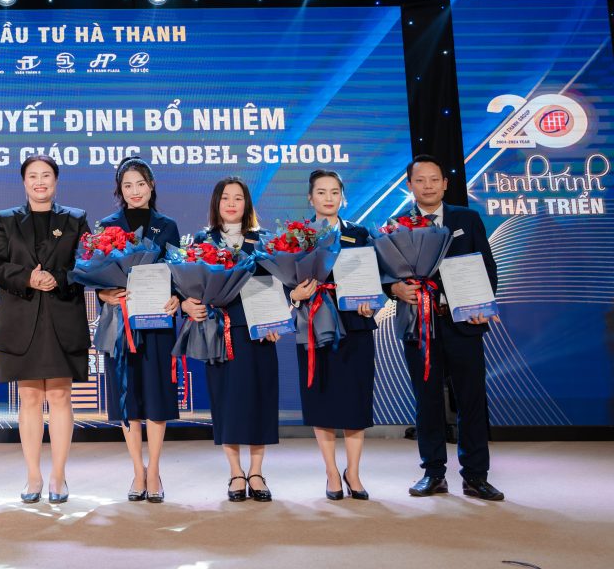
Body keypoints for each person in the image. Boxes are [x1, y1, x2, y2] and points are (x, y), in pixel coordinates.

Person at [390, 154, 503, 501]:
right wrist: (394, 289)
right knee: (427, 402)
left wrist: (483, 304)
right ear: (409, 186)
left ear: (445, 183)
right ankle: (433, 473)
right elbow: (384, 272)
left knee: (471, 399)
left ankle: (476, 476)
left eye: (434, 179)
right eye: (420, 180)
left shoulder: (467, 218)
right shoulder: (397, 224)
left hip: (464, 323)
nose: (427, 186)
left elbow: (487, 267)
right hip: (420, 325)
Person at [0, 154, 90, 504]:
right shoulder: (5, 219)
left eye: (46, 175)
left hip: (62, 317)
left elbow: (89, 264)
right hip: (21, 318)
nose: (40, 182)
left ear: (56, 181)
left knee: (60, 396)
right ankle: (33, 476)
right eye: (33, 176)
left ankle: (58, 476)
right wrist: (27, 277)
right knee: (29, 398)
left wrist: (57, 277)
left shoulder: (75, 219)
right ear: (24, 182)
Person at [188, 177, 280, 503]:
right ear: (216, 203)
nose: (231, 203)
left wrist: (274, 320)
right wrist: (189, 303)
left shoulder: (263, 240)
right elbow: (190, 286)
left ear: (247, 204)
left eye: (238, 198)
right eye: (225, 197)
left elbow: (275, 283)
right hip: (221, 331)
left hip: (258, 332)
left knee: (259, 399)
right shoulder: (202, 241)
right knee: (226, 401)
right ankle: (235, 472)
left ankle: (256, 471)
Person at [94, 158, 180, 502]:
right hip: (122, 323)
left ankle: (154, 470)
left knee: (157, 397)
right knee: (127, 399)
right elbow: (97, 273)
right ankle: (137, 471)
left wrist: (176, 296)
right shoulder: (107, 226)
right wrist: (103, 293)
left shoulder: (167, 226)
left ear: (151, 185)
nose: (134, 191)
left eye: (140, 184)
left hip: (157, 322)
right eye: (127, 185)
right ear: (120, 190)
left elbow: (178, 272)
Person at [288, 170, 376, 501]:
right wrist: (295, 294)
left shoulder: (359, 233)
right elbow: (286, 283)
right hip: (315, 324)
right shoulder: (297, 237)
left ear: (343, 197)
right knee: (321, 400)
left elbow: (375, 276)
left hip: (355, 325)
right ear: (310, 198)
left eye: (334, 192)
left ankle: (353, 472)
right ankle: (331, 472)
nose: (328, 198)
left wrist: (370, 301)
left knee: (355, 400)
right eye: (321, 192)